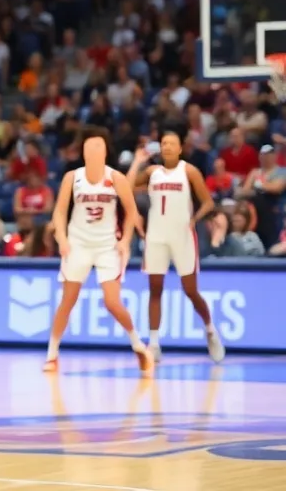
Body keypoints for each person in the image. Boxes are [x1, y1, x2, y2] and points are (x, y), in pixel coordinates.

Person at [44, 126, 152, 375]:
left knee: (112, 302)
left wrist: (125, 240)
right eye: (89, 146)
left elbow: (132, 212)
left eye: (98, 146)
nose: (93, 150)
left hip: (106, 245)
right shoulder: (72, 177)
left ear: (105, 151)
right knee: (67, 301)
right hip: (79, 243)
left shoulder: (116, 178)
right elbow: (59, 212)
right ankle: (52, 355)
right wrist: (61, 238)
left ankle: (138, 345)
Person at [127, 131, 224, 363]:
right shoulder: (152, 172)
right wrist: (137, 161)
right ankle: (154, 343)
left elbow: (208, 201)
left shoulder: (189, 171)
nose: (167, 147)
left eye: (172, 143)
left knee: (190, 290)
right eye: (164, 144)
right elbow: (126, 187)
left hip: (182, 236)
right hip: (156, 236)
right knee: (155, 289)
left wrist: (194, 219)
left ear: (180, 148)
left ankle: (210, 329)